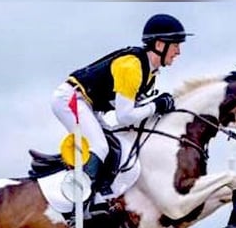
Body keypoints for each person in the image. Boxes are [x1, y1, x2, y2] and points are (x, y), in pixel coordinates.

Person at [51, 13, 193, 197]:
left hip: (88, 104)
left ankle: (101, 193)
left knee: (118, 147)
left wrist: (157, 107)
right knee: (100, 146)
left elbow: (131, 114)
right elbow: (124, 116)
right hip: (70, 99)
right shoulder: (132, 67)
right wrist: (156, 106)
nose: (178, 52)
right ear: (159, 45)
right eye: (175, 45)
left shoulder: (150, 73)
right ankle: (78, 199)